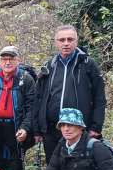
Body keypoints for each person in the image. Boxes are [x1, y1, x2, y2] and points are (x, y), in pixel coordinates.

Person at [34, 25, 106, 160]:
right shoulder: (50, 66)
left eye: (70, 39)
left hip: (79, 130)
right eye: (61, 40)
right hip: (51, 130)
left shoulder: (88, 64)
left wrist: (96, 127)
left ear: (76, 41)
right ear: (56, 42)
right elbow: (39, 98)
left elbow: (99, 98)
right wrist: (37, 128)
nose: (66, 43)